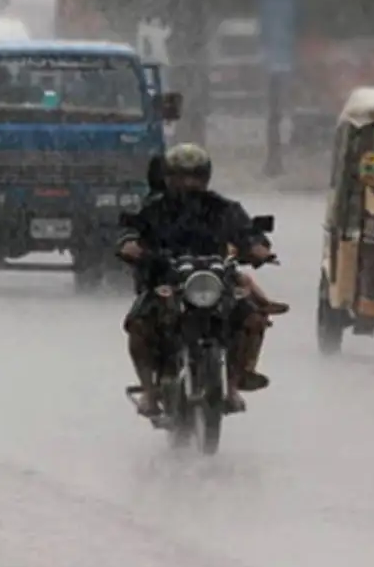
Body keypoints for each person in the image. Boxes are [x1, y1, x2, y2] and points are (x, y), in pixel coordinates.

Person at [117, 143, 280, 415]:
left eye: (195, 176)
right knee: (139, 325)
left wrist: (257, 247)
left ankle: (237, 379)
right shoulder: (154, 210)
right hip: (166, 281)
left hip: (215, 280)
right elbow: (131, 231)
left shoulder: (223, 208)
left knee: (252, 318)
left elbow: (247, 233)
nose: (188, 183)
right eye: (180, 176)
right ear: (168, 177)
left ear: (206, 177)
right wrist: (131, 245)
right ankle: (149, 390)